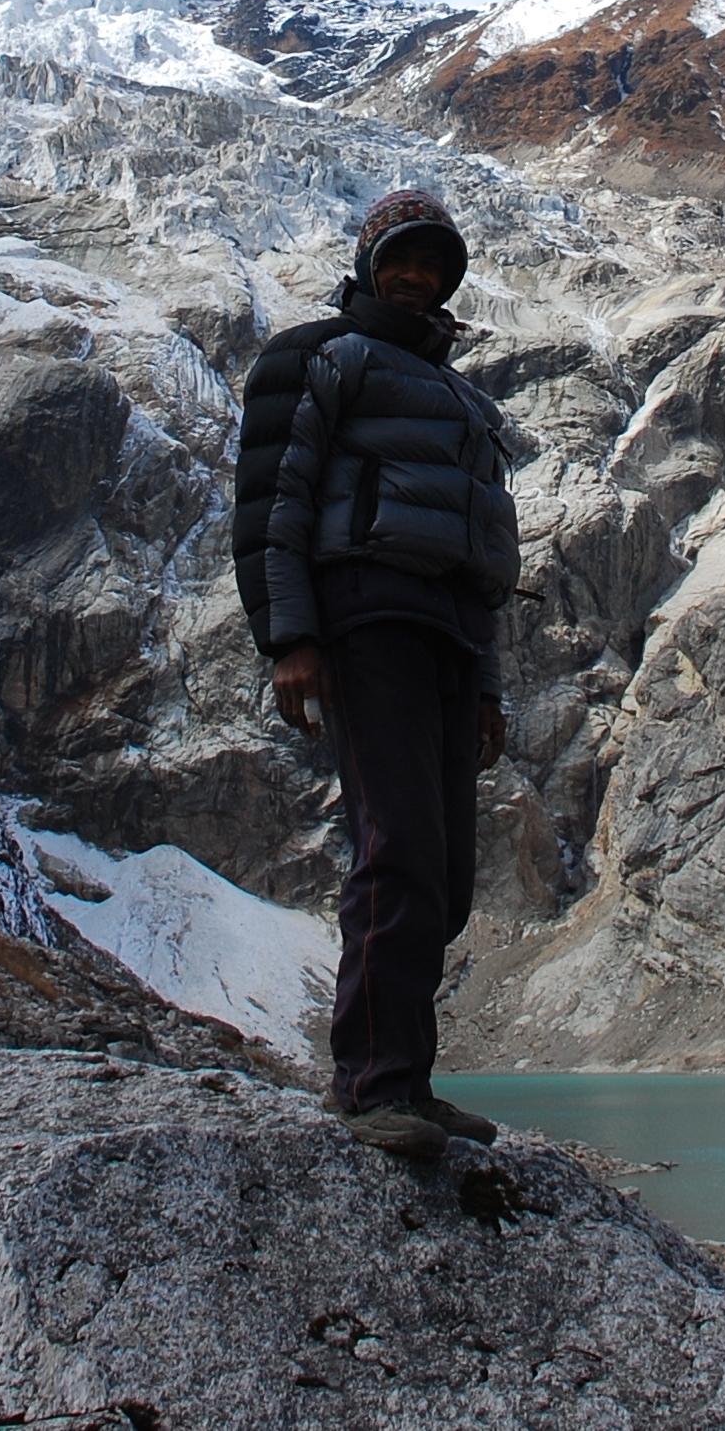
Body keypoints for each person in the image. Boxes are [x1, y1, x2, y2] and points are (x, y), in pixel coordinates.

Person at [233, 186, 520, 1158]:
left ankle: (409, 1077)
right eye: (400, 259)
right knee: (395, 842)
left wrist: (485, 685)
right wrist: (290, 637)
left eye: (433, 266)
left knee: (442, 878)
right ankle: (369, 1083)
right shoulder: (318, 358)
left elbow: (481, 558)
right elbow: (273, 500)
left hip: (444, 634)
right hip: (365, 616)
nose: (416, 276)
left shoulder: (468, 401)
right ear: (366, 265)